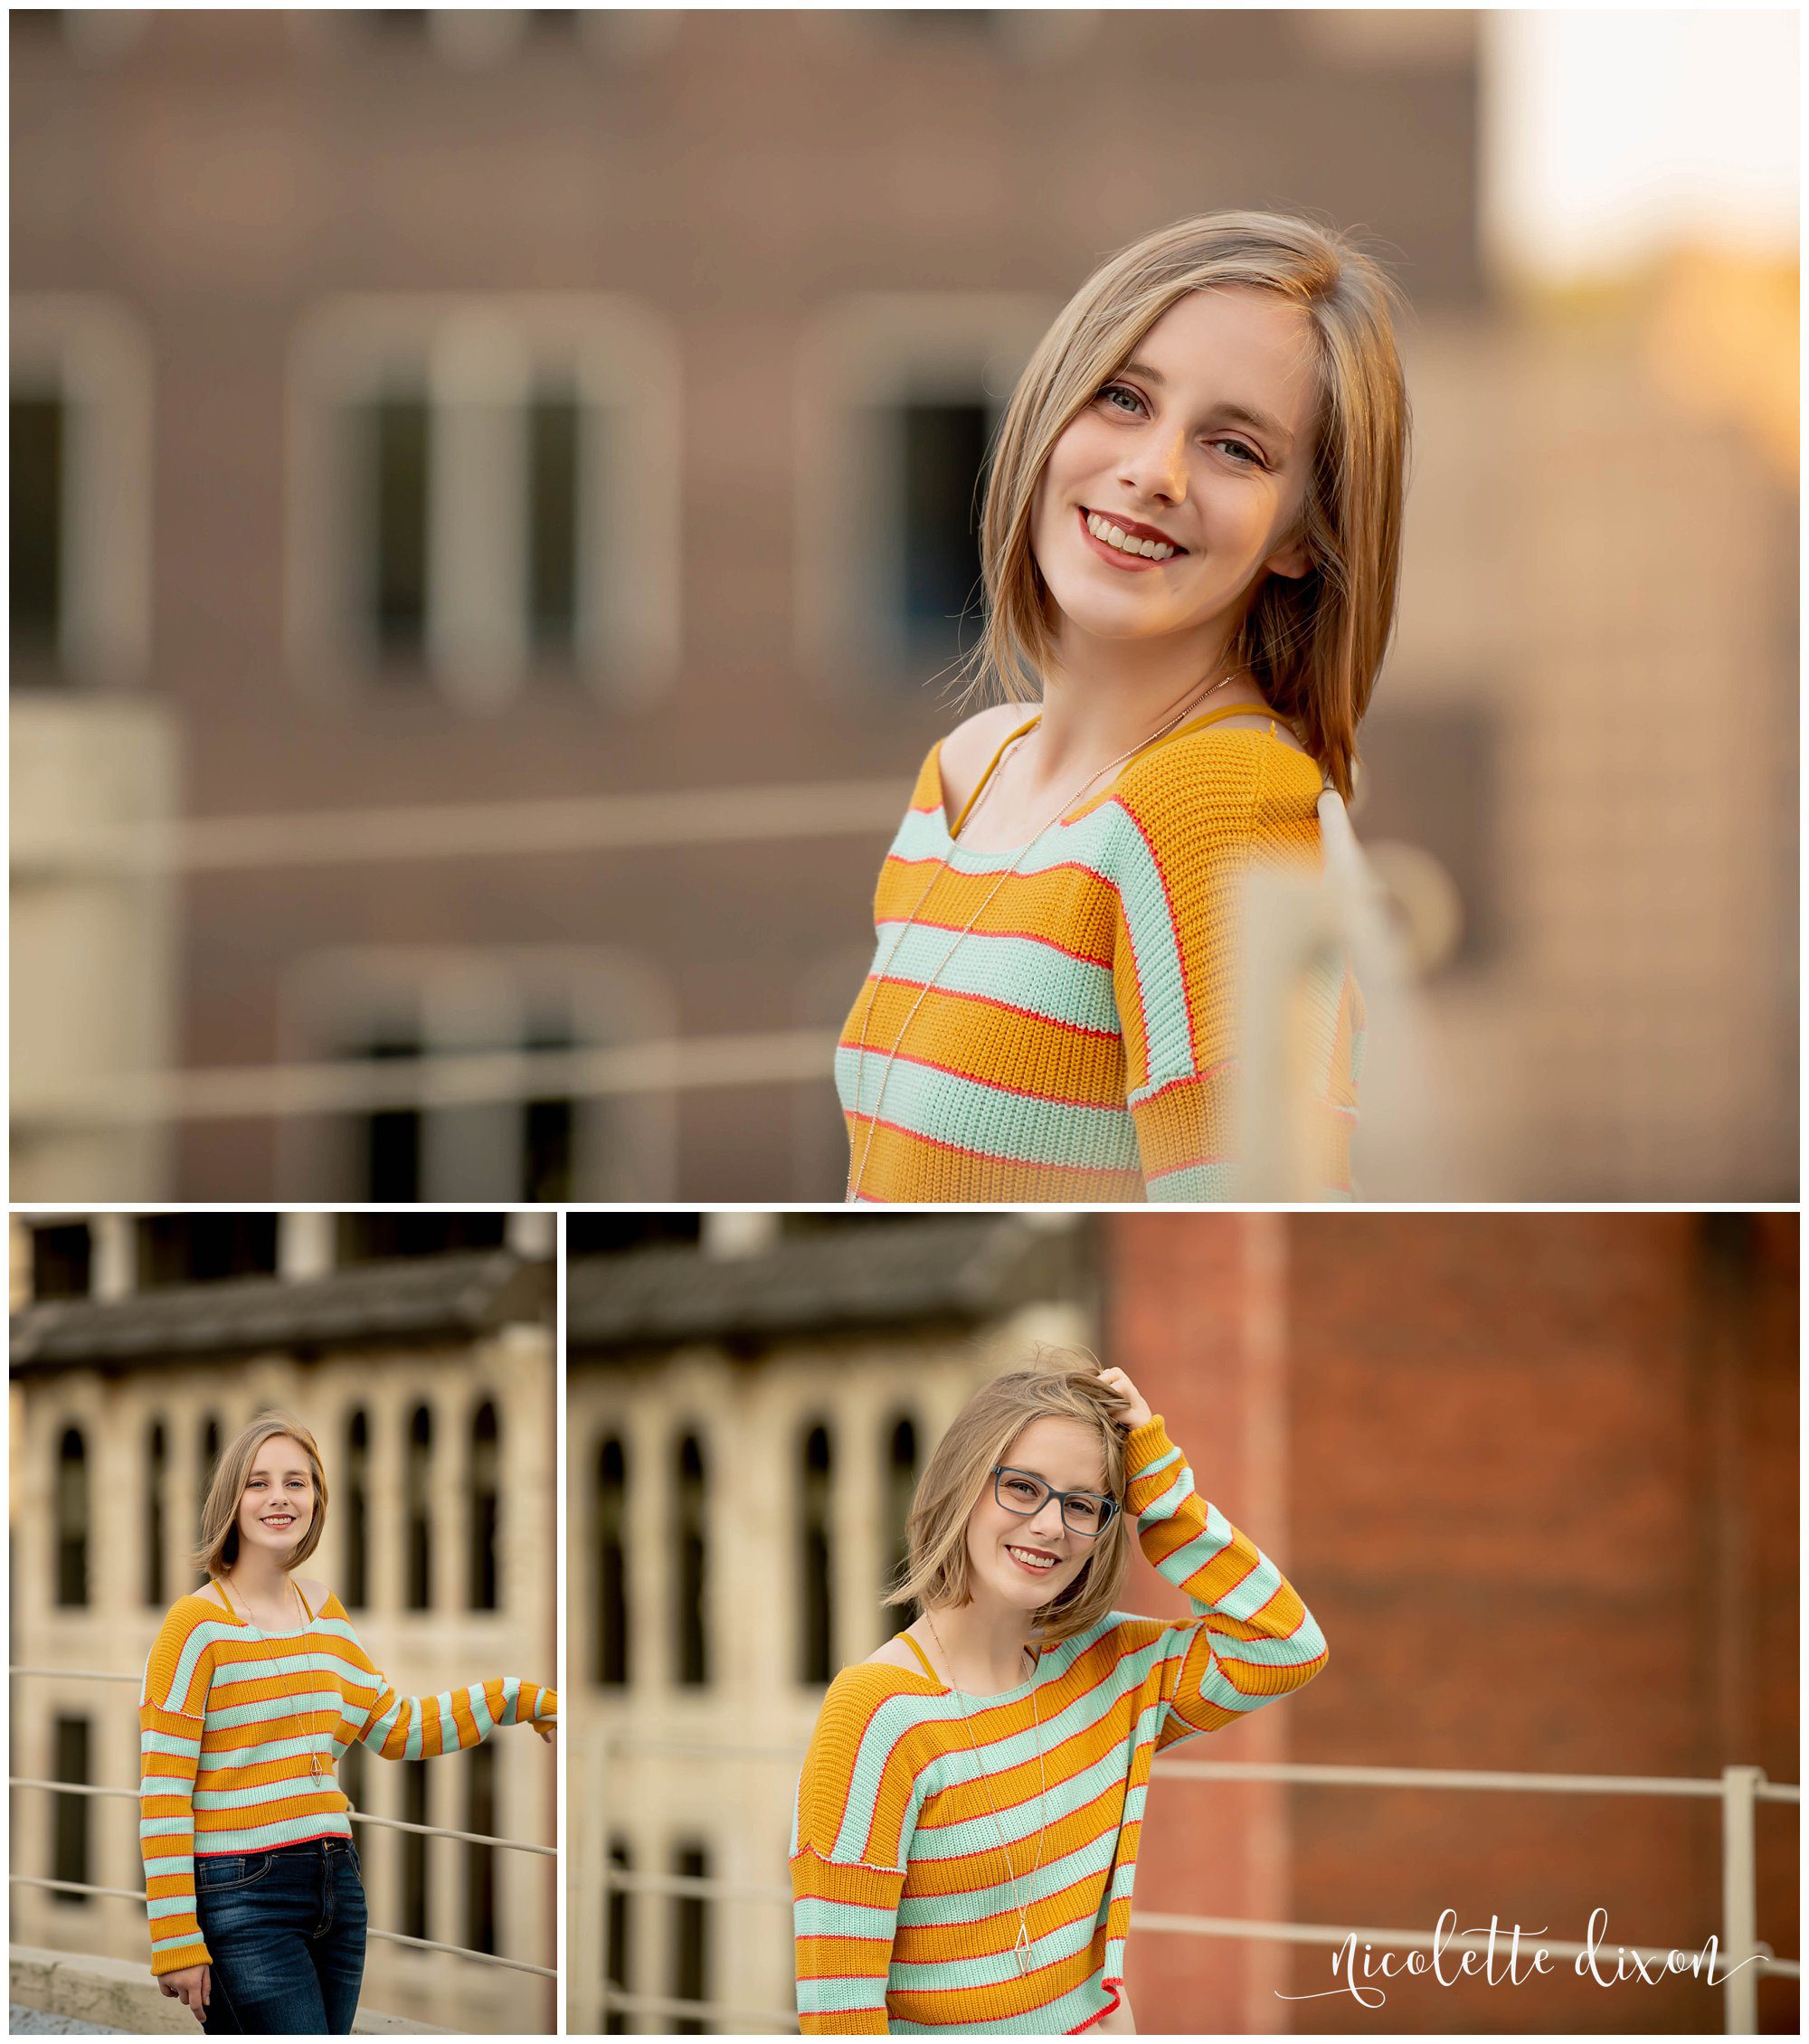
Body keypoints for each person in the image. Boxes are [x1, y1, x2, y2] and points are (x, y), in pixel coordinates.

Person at [838, 211, 1408, 1203]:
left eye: (1235, 448)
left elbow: (1257, 1226)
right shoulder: (967, 769)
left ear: (1301, 537)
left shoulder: (1216, 803)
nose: (1155, 471)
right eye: (1122, 398)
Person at [791, 1358, 1327, 2033]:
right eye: (1022, 1488)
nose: (1050, 1525)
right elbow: (840, 2018)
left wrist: (1159, 1489)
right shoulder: (876, 1716)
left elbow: (1284, 1645)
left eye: (1082, 1504)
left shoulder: (1113, 1669)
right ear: (962, 1486)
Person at [139, 1411, 556, 2033]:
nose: (279, 1497)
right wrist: (175, 1936)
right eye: (258, 1483)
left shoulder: (325, 1613)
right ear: (231, 1499)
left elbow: (398, 1727)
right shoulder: (192, 1627)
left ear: (317, 1499)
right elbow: (164, 1788)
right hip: (242, 1894)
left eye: (296, 1482)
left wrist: (520, 1700)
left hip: (338, 1886)